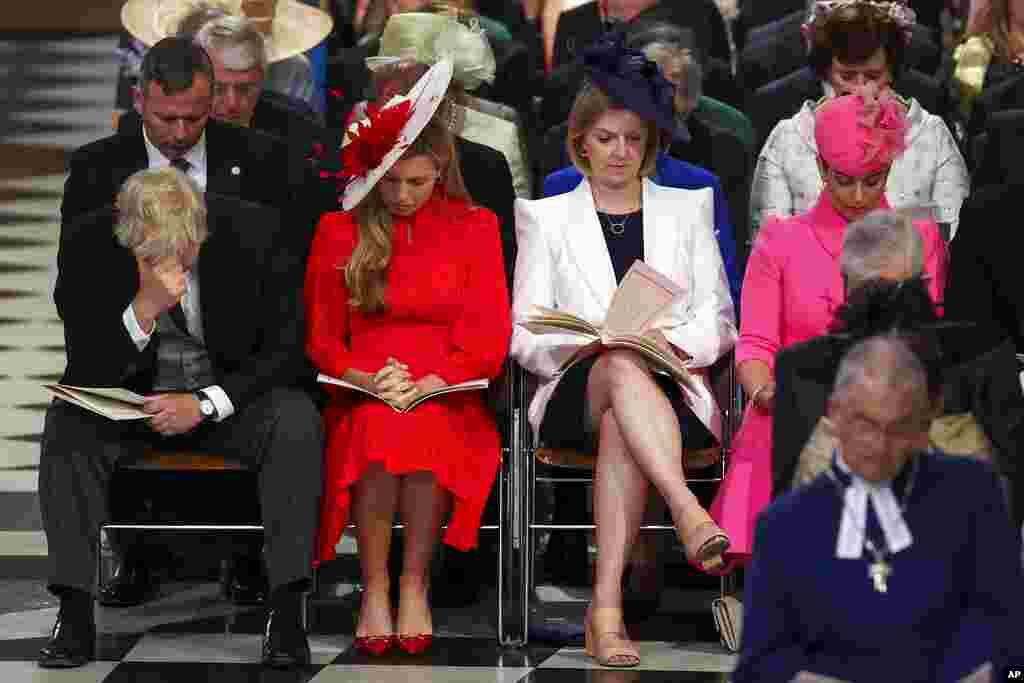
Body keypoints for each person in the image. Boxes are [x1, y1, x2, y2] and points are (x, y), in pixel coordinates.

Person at [39, 167, 322, 670]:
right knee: (67, 424)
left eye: (180, 251)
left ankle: (286, 608)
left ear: (200, 231)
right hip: (135, 406)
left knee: (295, 419)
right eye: (152, 255)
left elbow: (287, 352)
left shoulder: (256, 234)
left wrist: (206, 403)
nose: (169, 263)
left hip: (227, 404)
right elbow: (85, 366)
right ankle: (75, 609)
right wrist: (143, 309)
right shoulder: (90, 243)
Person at [511, 38, 736, 667]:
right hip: (575, 389)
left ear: (650, 144)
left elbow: (719, 319)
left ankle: (604, 609)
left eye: (633, 139)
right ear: (580, 142)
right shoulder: (544, 218)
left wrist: (669, 343)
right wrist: (591, 340)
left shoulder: (688, 210)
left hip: (672, 384)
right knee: (614, 362)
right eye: (605, 138)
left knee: (624, 402)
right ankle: (686, 508)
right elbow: (524, 332)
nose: (619, 151)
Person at [305, 60, 511, 656]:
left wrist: (434, 380)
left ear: (440, 171)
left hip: (449, 384)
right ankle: (375, 586)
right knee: (377, 425)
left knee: (423, 425)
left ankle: (415, 583)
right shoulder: (339, 228)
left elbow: (489, 331)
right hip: (361, 385)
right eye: (390, 181)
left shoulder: (475, 226)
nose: (401, 196)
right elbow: (321, 336)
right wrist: (363, 378)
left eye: (417, 182)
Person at [708, 88, 948, 572]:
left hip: (890, 397)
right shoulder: (780, 240)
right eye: (843, 180)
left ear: (890, 169)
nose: (858, 196)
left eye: (872, 179)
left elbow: (927, 336)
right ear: (820, 167)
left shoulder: (919, 239)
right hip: (795, 400)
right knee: (775, 424)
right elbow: (756, 342)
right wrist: (764, 391)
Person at [733, 335, 1023, 682]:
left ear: (925, 421)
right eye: (865, 424)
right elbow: (755, 668)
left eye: (899, 427)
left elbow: (1011, 640)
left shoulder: (972, 493)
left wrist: (998, 674)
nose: (880, 445)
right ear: (835, 413)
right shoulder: (785, 524)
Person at [751, 0, 967, 240]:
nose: (860, 88)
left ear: (891, 71)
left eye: (873, 75)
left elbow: (953, 237)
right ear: (826, 71)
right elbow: (769, 241)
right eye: (847, 76)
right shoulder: (789, 138)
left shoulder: (930, 135)